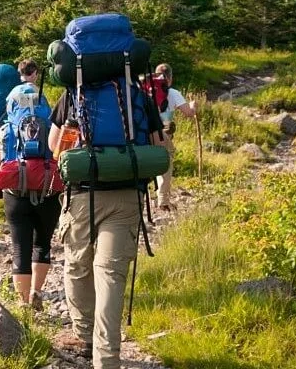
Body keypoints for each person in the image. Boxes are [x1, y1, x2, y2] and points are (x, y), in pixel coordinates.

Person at [47, 86, 164, 368]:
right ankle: (107, 358)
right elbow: (160, 149)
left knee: (78, 265)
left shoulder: (73, 95)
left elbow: (54, 147)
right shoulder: (137, 95)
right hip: (126, 195)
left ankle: (85, 336)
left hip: (81, 196)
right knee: (110, 274)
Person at [0, 116, 61, 310]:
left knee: (20, 248)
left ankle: (23, 301)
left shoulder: (6, 130)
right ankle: (36, 290)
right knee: (43, 244)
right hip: (49, 192)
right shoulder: (53, 126)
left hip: (16, 195)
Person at [0, 58, 43, 249]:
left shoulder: (12, 92)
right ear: (35, 73)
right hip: (30, 144)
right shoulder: (37, 93)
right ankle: (31, 233)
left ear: (19, 73)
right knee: (31, 184)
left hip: (3, 138)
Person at [150, 63, 197, 211]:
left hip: (141, 130)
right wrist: (194, 105)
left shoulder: (145, 90)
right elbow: (189, 113)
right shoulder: (173, 93)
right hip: (160, 132)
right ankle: (163, 199)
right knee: (166, 159)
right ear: (170, 78)